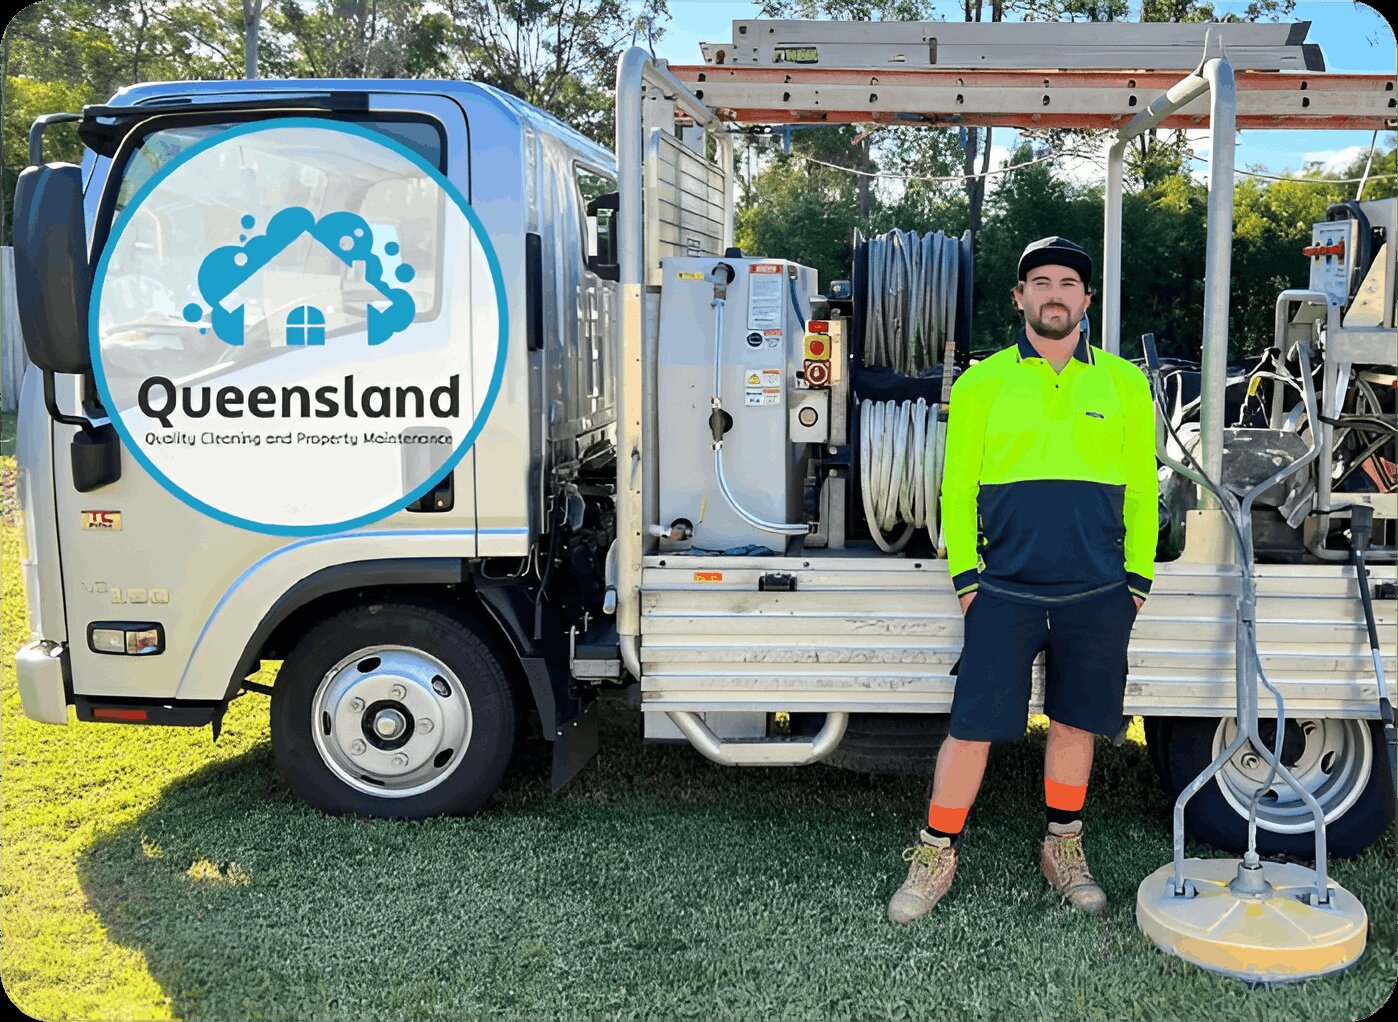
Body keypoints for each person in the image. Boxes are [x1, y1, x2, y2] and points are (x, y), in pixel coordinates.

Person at [887, 236, 1158, 925]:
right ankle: (935, 852)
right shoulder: (981, 382)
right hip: (1003, 587)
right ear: (1020, 297)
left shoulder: (1125, 383)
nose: (1055, 294)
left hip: (1097, 591)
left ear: (1086, 300)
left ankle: (1062, 846)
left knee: (1073, 724)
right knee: (972, 724)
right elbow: (955, 488)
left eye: (1068, 283)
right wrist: (966, 578)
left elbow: (1141, 492)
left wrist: (1136, 581)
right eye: (1041, 282)